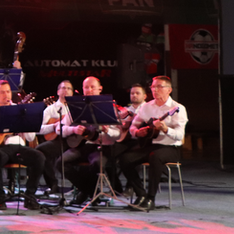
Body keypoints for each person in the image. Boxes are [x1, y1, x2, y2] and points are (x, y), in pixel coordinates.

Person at [119, 76, 188, 211]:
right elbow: (133, 126)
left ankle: (151, 198)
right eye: (153, 87)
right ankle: (141, 194)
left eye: (159, 87)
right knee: (125, 159)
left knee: (155, 157)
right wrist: (137, 132)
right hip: (151, 145)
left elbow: (180, 135)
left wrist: (166, 129)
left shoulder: (178, 108)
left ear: (169, 90)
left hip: (171, 147)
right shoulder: (147, 107)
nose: (155, 90)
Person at [0, 80, 44, 210]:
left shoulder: (20, 110)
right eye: (2, 92)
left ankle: (29, 196)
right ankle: (0, 197)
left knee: (39, 157)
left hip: (18, 147)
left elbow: (30, 138)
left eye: (8, 91)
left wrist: (27, 123)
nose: (6, 95)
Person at [57, 76, 120, 206]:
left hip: (101, 147)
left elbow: (118, 134)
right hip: (81, 146)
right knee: (60, 163)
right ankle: (90, 191)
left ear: (100, 89)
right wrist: (74, 130)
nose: (89, 90)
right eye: (86, 87)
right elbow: (59, 129)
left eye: (92, 87)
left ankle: (86, 193)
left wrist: (107, 130)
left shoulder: (109, 107)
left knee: (97, 163)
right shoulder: (76, 107)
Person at [34, 80, 74, 194]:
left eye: (69, 88)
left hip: (73, 139)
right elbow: (38, 129)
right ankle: (52, 184)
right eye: (63, 88)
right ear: (58, 91)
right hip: (58, 140)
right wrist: (53, 126)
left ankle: (78, 185)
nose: (66, 90)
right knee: (40, 150)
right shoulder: (50, 109)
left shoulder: (75, 108)